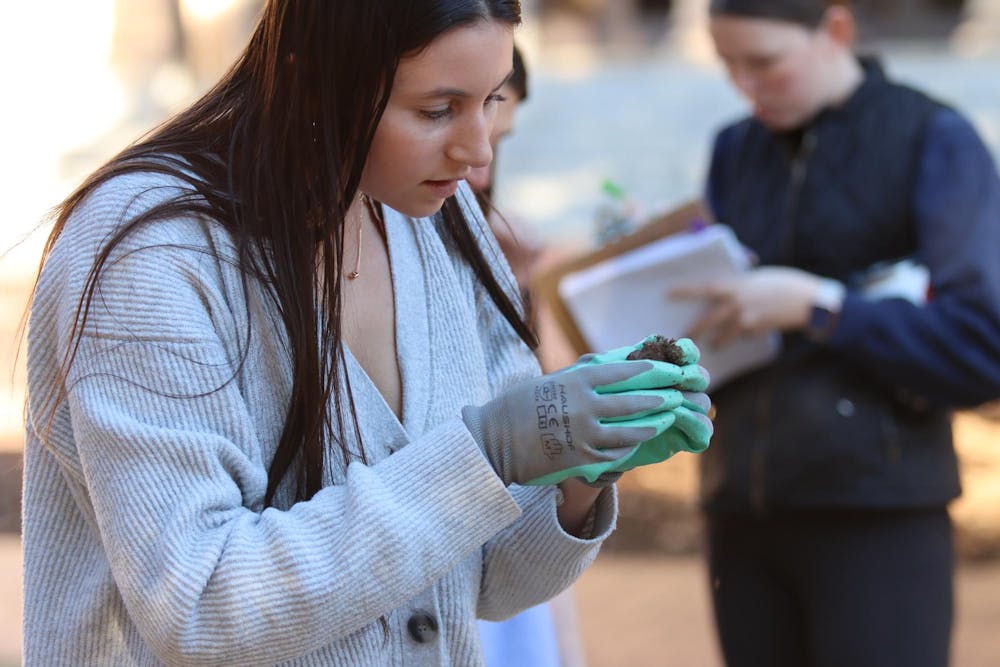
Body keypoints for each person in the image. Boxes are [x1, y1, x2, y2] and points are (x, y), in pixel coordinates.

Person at [22, 1, 712, 665]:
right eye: (437, 110)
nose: (477, 156)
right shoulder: (155, 256)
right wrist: (494, 450)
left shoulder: (439, 214)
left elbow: (486, 580)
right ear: (312, 75)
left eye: (493, 102)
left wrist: (578, 468)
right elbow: (201, 605)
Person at [673, 1, 1000, 665]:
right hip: (739, 508)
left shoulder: (932, 138)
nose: (745, 85)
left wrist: (822, 308)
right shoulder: (735, 148)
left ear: (837, 30)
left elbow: (983, 342)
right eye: (728, 65)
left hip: (877, 514)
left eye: (764, 62)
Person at [468, 45, 584, 667]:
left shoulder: (496, 250)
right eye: (438, 112)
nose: (480, 162)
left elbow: (549, 401)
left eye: (497, 137)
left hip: (505, 560)